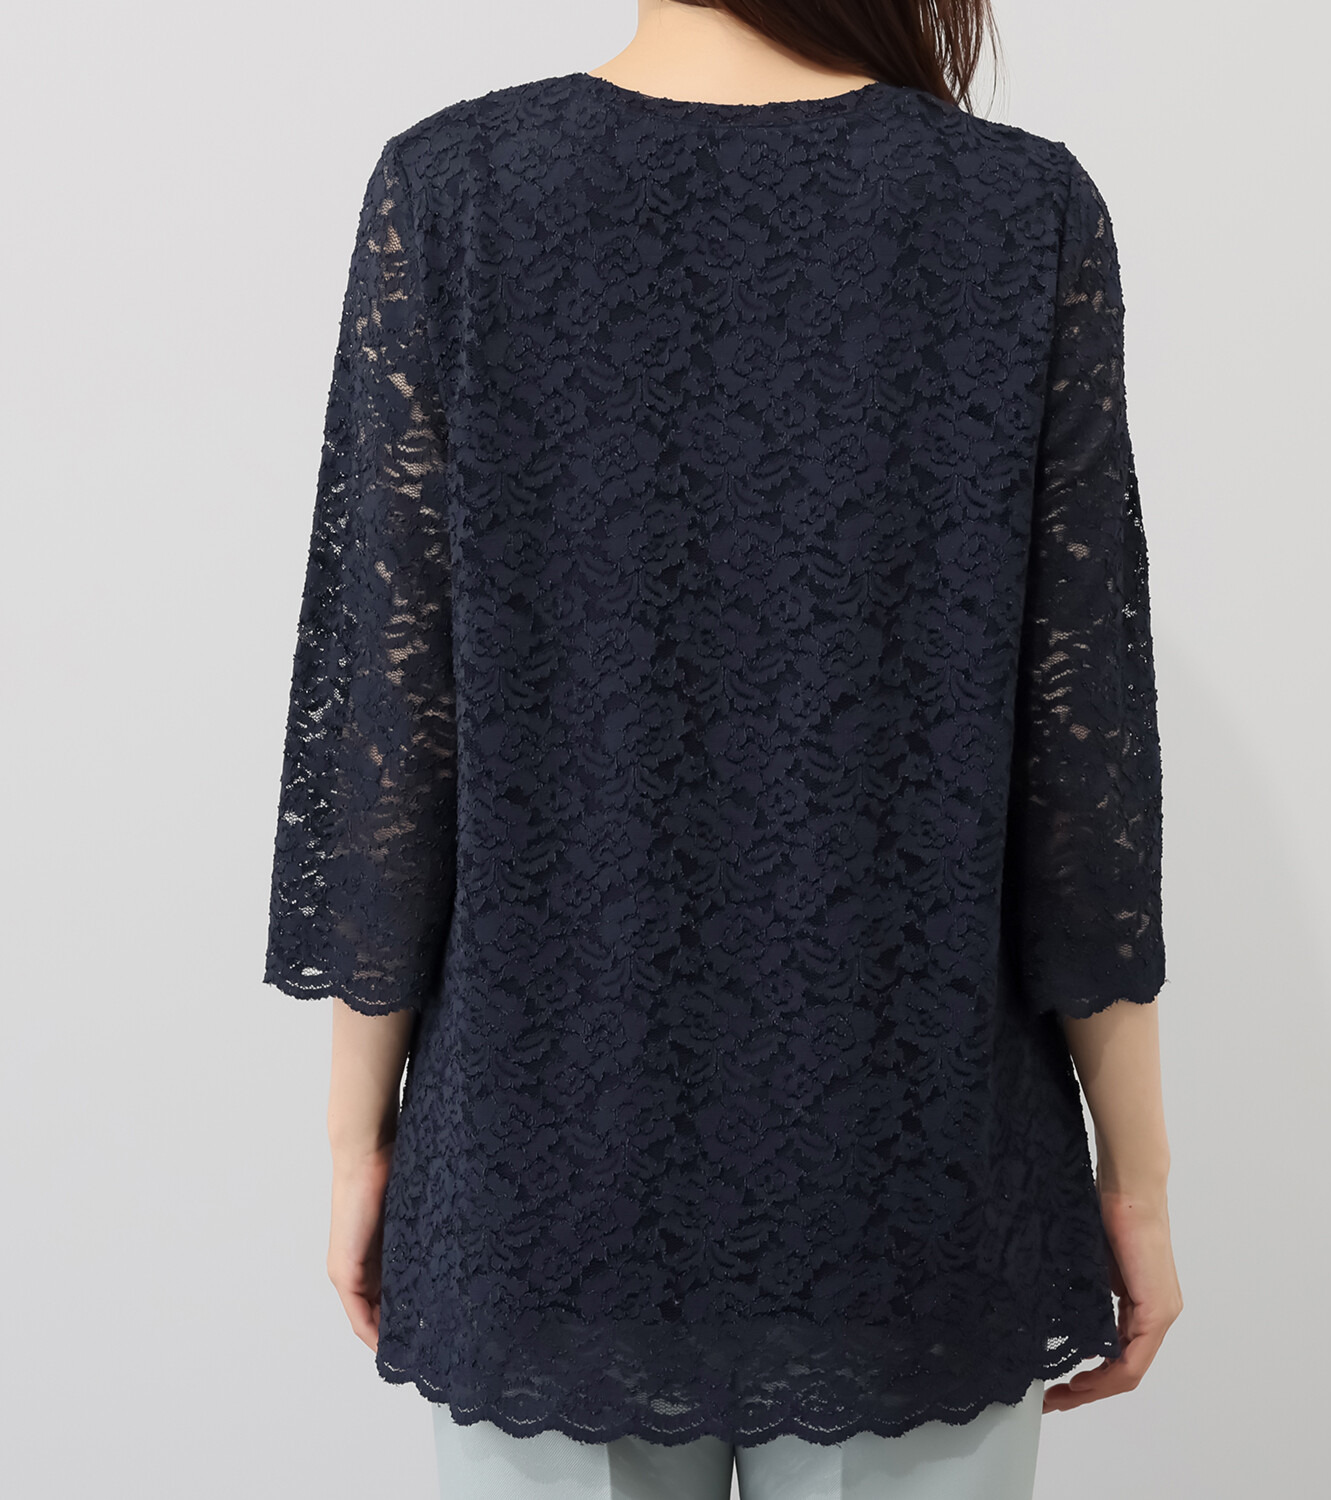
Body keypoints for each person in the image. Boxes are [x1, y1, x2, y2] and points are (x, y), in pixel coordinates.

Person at [263, 1, 1183, 1494]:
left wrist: (354, 1141)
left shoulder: (453, 194)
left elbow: (389, 734)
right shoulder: (1020, 211)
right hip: (912, 1178)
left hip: (542, 1177)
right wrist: (1137, 1180)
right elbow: (1083, 783)